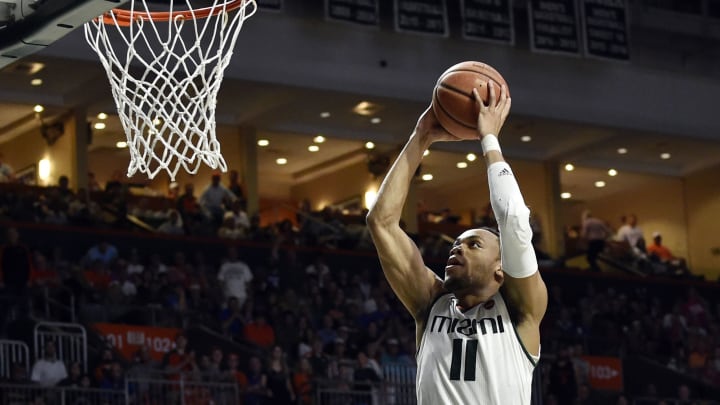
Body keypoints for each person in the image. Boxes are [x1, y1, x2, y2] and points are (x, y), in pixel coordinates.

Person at [366, 82, 547, 404]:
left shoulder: (521, 311)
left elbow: (514, 219)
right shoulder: (430, 304)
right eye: (455, 245)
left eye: (474, 245)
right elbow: (380, 222)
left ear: (500, 269)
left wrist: (489, 137)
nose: (457, 248)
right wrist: (420, 137)